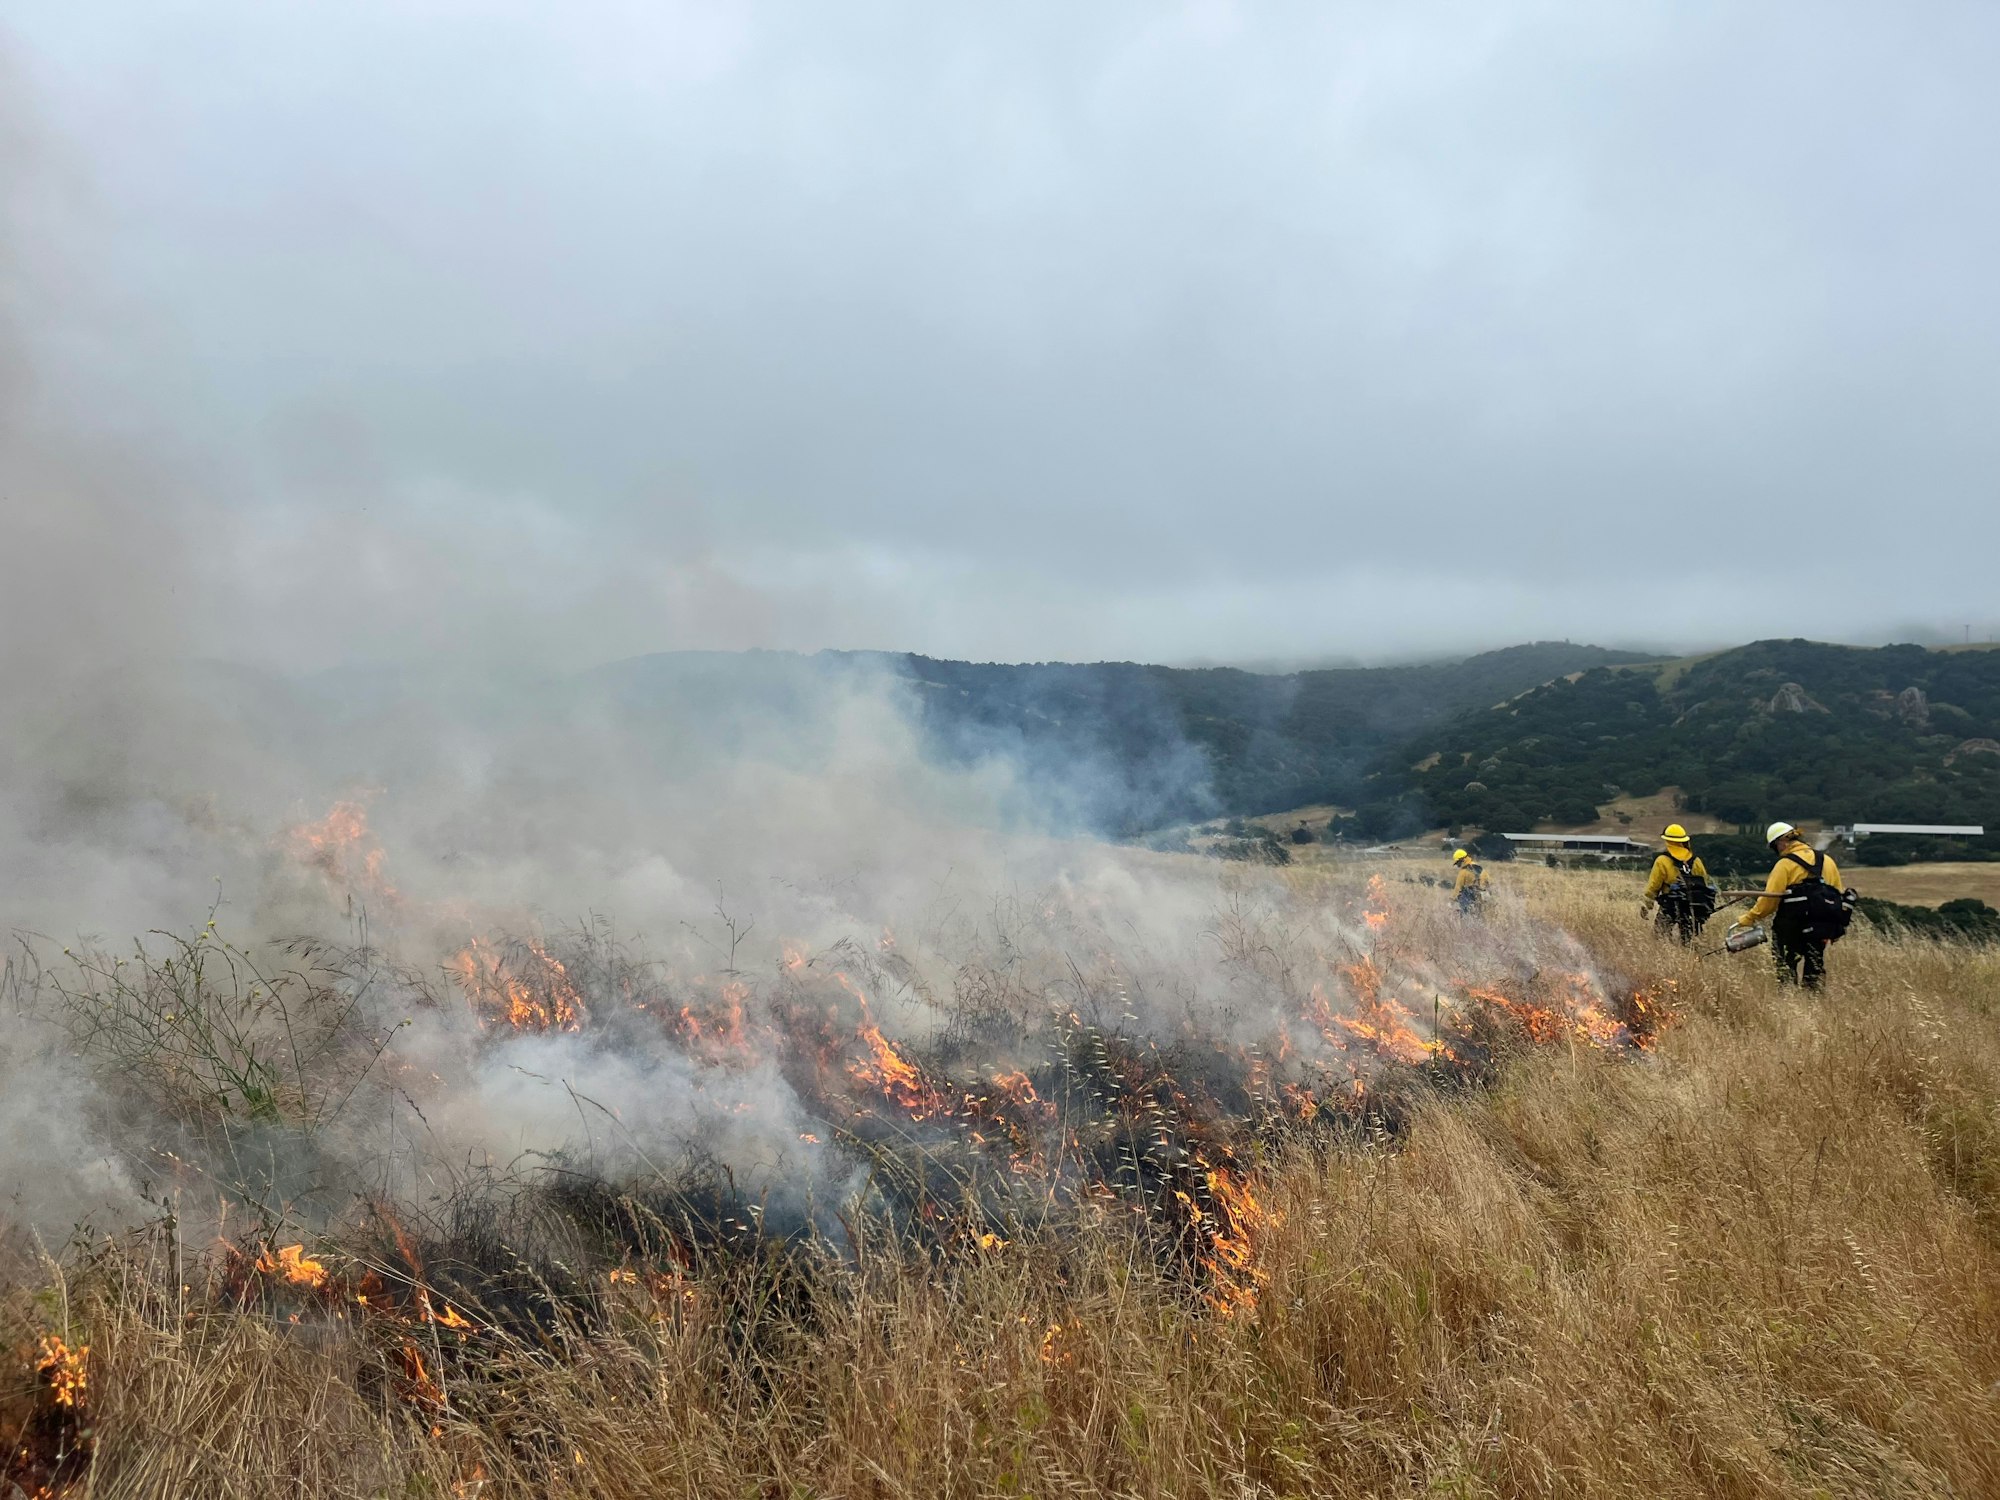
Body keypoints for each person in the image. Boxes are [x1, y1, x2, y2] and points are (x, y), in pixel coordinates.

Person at [1731, 821, 1851, 990]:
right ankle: (1813, 1000)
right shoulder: (1827, 861)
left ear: (1781, 843)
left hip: (1791, 926)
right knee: (1814, 965)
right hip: (1821, 927)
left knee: (1786, 966)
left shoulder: (1784, 864)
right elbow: (1837, 895)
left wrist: (1749, 918)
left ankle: (1789, 1001)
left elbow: (1769, 901)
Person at [1641, 823, 1716, 943]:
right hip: (1693, 906)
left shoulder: (1662, 861)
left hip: (1670, 905)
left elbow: (1653, 887)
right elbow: (1704, 884)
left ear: (1667, 841)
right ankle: (1691, 959)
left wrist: (1647, 906)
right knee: (1689, 941)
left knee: (1659, 937)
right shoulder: (1696, 861)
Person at [1450, 848, 1487, 914]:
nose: (1458, 865)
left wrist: (1452, 900)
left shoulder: (1463, 872)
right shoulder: (1479, 867)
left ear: (1462, 860)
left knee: (1465, 915)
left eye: (1458, 863)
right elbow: (1488, 881)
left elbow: (1458, 888)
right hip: (1480, 896)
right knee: (1478, 915)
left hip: (1467, 897)